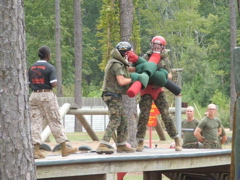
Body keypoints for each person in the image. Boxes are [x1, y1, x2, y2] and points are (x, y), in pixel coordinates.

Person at [126, 36, 182, 151]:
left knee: (166, 115)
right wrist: (145, 68)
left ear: (163, 47)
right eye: (155, 45)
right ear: (151, 45)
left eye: (159, 46)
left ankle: (177, 140)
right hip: (146, 89)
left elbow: (169, 75)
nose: (156, 48)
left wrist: (157, 73)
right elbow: (131, 69)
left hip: (158, 89)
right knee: (144, 116)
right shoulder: (145, 57)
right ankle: (140, 141)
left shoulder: (164, 59)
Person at [28, 46, 78, 159]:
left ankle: (35, 150)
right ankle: (64, 147)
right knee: (54, 120)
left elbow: (28, 83)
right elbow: (54, 83)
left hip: (34, 95)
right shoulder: (49, 67)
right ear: (48, 55)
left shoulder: (31, 68)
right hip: (46, 95)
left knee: (35, 122)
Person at [96, 41, 139, 154]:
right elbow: (121, 81)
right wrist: (135, 79)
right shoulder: (116, 64)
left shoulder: (118, 62)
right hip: (111, 95)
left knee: (123, 119)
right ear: (125, 53)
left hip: (114, 95)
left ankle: (121, 144)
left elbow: (127, 70)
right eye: (128, 53)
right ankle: (103, 144)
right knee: (115, 119)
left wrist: (139, 68)